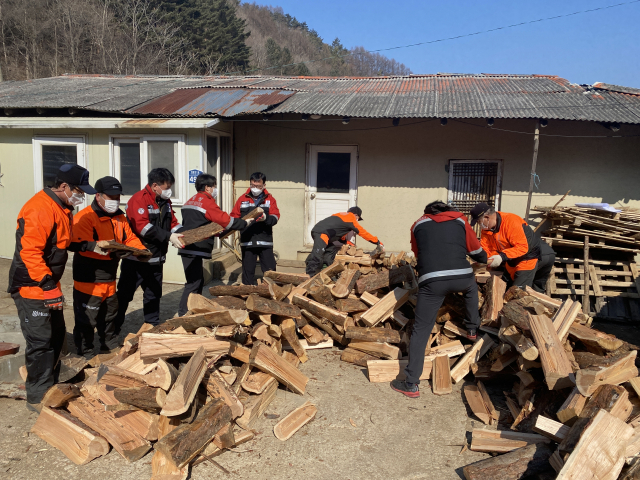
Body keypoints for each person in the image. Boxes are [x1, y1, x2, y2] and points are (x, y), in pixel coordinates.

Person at [7, 164, 96, 411]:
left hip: (47, 284)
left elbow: (61, 242)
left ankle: (53, 385)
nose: (81, 196)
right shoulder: (39, 209)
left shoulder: (62, 208)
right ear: (64, 186)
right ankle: (37, 396)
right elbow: (30, 252)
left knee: (57, 337)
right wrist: (48, 286)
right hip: (31, 286)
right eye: (79, 190)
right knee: (40, 340)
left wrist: (89, 246)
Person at [391, 201, 487, 398]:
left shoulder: (417, 224)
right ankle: (471, 328)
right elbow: (476, 251)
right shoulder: (460, 220)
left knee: (421, 329)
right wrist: (485, 258)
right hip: (462, 277)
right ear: (448, 210)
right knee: (471, 288)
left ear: (427, 212)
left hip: (432, 281)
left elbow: (419, 254)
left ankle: (411, 384)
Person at [70, 176, 147, 357]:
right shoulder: (85, 217)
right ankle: (85, 351)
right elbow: (82, 246)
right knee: (86, 318)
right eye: (111, 197)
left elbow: (129, 238)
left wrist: (140, 250)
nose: (115, 201)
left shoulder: (119, 217)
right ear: (98, 196)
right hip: (89, 277)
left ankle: (109, 346)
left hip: (110, 276)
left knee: (110, 315)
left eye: (118, 197)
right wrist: (113, 252)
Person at [115, 168, 184, 328]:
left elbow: (172, 222)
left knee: (153, 295)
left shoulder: (165, 202)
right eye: (167, 188)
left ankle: (152, 327)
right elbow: (143, 228)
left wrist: (183, 234)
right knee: (124, 296)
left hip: (156, 259)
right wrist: (168, 236)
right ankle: (113, 329)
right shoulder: (138, 200)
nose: (169, 191)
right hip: (137, 259)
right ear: (155, 185)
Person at [178, 174, 250, 315]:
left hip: (188, 247)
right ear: (207, 187)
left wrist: (216, 231)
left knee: (197, 281)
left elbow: (202, 223)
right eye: (214, 186)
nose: (215, 189)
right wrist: (242, 223)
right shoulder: (206, 202)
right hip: (196, 247)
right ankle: (183, 313)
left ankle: (193, 309)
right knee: (193, 283)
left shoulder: (190, 201)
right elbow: (225, 220)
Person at [470, 202, 555, 292]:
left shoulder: (511, 221)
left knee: (518, 292)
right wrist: (482, 259)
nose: (480, 225)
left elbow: (522, 247)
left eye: (479, 222)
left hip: (532, 255)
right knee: (506, 286)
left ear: (487, 218)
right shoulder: (487, 229)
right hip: (513, 257)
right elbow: (487, 248)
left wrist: (501, 257)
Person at [230, 172, 280, 286]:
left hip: (265, 241)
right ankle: (248, 297)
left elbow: (276, 216)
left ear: (264, 186)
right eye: (252, 185)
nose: (255, 188)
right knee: (247, 272)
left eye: (258, 186)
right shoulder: (242, 199)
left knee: (270, 271)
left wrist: (266, 218)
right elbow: (234, 217)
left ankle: (272, 295)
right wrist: (241, 223)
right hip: (247, 241)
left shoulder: (270, 199)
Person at [305, 207, 384, 276]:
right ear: (356, 215)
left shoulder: (341, 215)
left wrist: (346, 242)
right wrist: (377, 242)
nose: (357, 220)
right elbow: (362, 233)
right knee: (318, 253)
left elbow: (338, 231)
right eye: (358, 218)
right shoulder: (351, 218)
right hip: (322, 234)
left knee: (330, 250)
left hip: (321, 232)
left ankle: (325, 270)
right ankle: (310, 275)